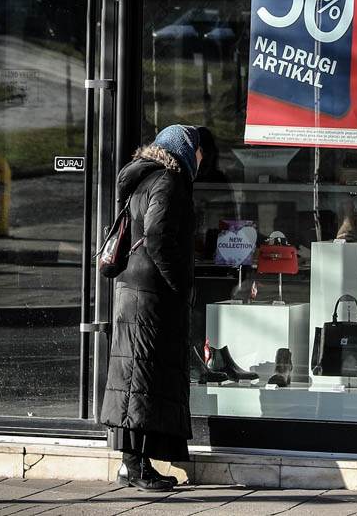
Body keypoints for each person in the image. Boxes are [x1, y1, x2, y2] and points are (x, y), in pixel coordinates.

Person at [100, 124, 202, 491]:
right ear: (184, 150)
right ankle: (135, 467)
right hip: (151, 296)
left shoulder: (145, 179)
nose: (202, 158)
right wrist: (180, 284)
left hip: (137, 291)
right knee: (139, 380)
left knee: (138, 379)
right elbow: (158, 236)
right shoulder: (168, 181)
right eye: (199, 150)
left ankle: (135, 464)